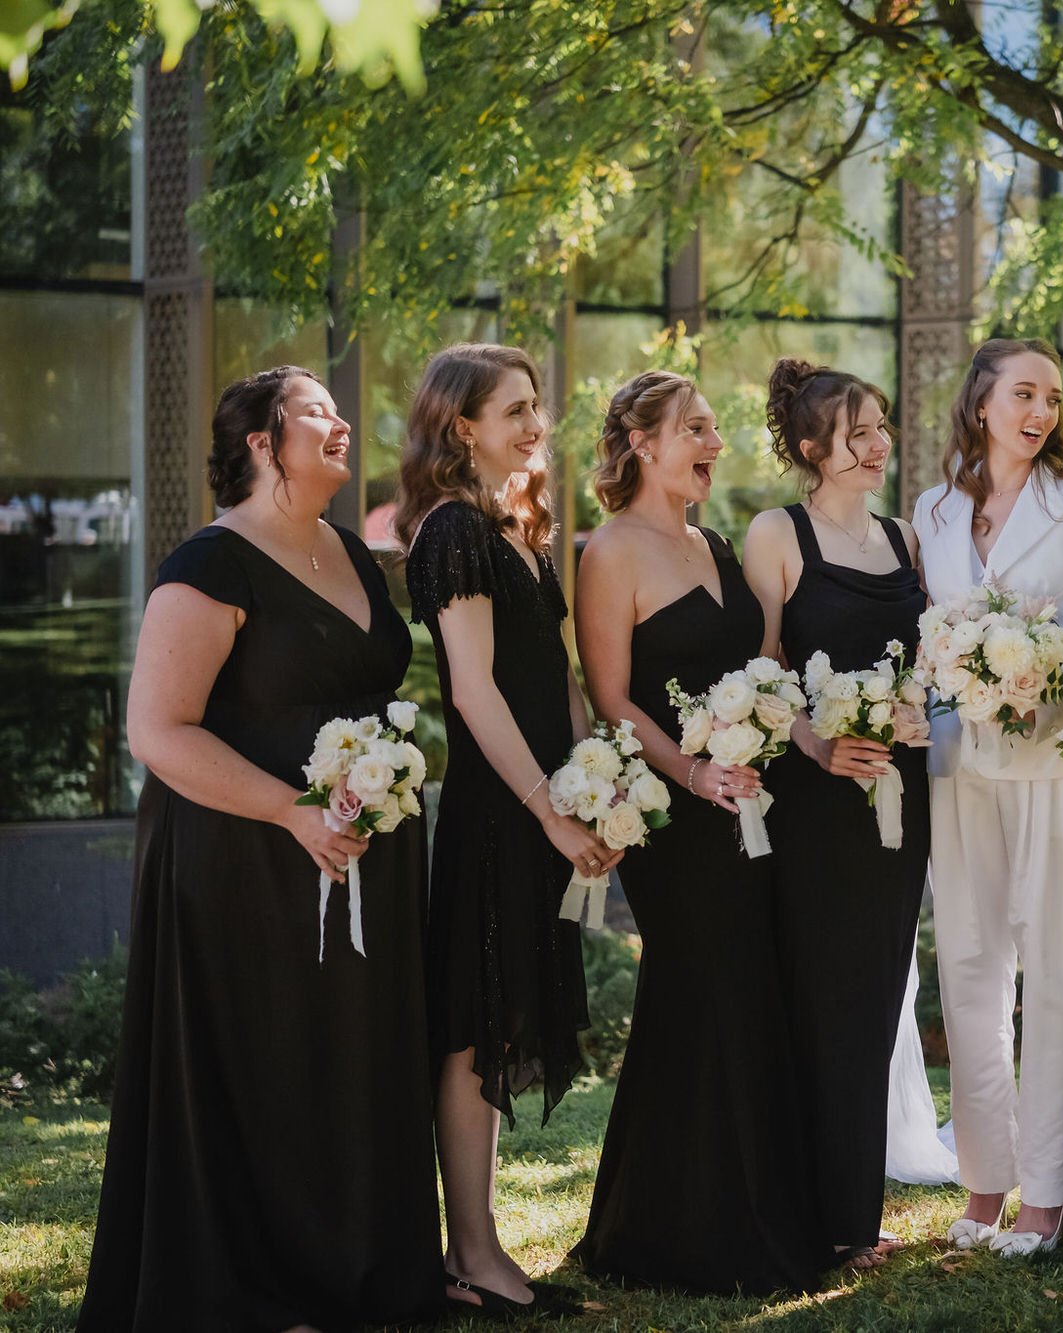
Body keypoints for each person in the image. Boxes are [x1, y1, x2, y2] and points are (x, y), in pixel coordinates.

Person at [80, 368, 442, 1329]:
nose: (343, 424)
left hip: (361, 856)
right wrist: (292, 811)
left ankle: (354, 1270)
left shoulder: (357, 556)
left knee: (351, 1063)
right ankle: (253, 1284)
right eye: (320, 412)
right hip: (243, 860)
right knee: (265, 1064)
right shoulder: (211, 564)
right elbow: (157, 730)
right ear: (260, 440)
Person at [571, 368, 827, 1295]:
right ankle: (672, 1233)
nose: (715, 444)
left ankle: (737, 1214)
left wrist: (765, 726)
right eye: (697, 428)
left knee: (744, 990)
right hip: (673, 816)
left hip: (746, 803)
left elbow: (759, 665)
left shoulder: (716, 545)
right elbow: (610, 697)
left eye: (716, 429)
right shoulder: (611, 551)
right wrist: (693, 772)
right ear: (642, 443)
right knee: (698, 989)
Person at [395, 343, 607, 1316]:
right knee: (470, 1025)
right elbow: (474, 690)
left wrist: (599, 780)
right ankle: (470, 1254)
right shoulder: (451, 531)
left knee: (499, 1009)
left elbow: (554, 676)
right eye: (513, 410)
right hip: (496, 806)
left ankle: (480, 1249)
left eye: (537, 406)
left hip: (547, 798)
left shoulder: (520, 523)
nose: (533, 426)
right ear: (460, 426)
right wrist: (547, 808)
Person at [914, 337, 1063, 1256]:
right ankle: (983, 1184)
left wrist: (1037, 681)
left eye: (1050, 397)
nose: (1041, 411)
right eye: (1024, 394)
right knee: (967, 964)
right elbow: (928, 642)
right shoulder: (931, 510)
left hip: (1060, 765)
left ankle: (1046, 1195)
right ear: (982, 402)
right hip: (959, 768)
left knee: (1050, 973)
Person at [742, 357, 931, 1269]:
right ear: (812, 447)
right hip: (816, 805)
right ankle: (815, 1214)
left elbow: (927, 659)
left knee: (876, 999)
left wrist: (915, 711)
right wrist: (819, 745)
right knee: (819, 998)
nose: (876, 445)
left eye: (881, 427)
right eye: (857, 432)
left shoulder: (904, 538)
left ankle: (855, 1214)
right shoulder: (776, 533)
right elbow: (759, 673)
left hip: (901, 803)